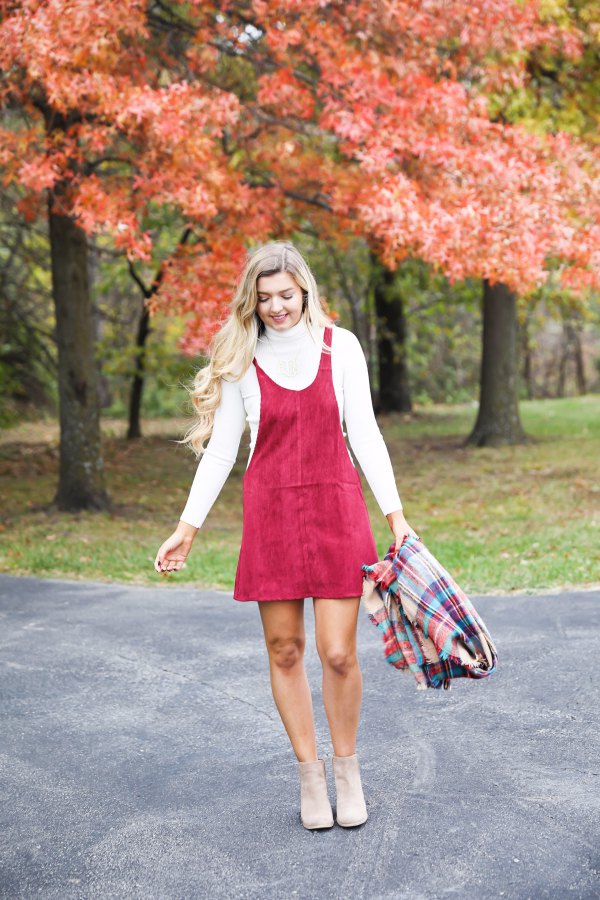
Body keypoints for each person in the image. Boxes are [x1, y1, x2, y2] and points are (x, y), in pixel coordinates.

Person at [154, 241, 417, 830]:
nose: (277, 307)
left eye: (286, 296)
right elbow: (222, 450)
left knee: (338, 653)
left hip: (337, 509)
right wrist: (186, 529)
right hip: (271, 515)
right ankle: (310, 777)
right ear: (252, 300)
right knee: (285, 649)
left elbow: (366, 434)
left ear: (305, 292)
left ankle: (347, 771)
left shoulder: (340, 347)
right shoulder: (242, 359)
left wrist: (395, 516)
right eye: (265, 297)